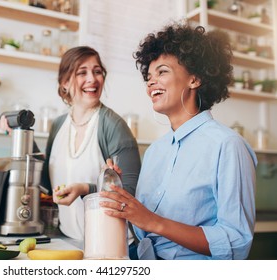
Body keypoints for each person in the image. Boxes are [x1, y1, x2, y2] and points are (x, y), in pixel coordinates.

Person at [99, 22, 257, 260]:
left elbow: (236, 242)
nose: (151, 82)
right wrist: (119, 193)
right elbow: (143, 231)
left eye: (162, 72)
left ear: (194, 79)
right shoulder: (154, 152)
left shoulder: (227, 145)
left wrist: (154, 221)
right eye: (149, 77)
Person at [0, 46, 141, 248]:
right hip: (69, 240)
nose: (92, 79)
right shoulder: (58, 125)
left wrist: (86, 189)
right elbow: (48, 183)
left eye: (97, 71)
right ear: (65, 83)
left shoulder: (113, 126)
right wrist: (19, 133)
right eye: (82, 72)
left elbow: (131, 193)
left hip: (113, 244)